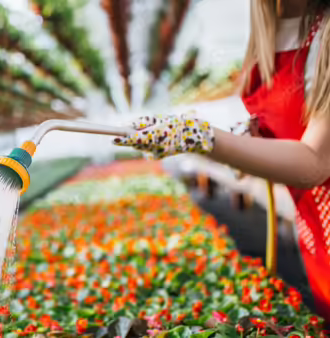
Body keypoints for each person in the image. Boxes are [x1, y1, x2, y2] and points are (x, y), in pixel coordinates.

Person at [113, 0, 330, 323]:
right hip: (313, 230)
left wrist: (204, 137)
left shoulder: (325, 33)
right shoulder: (266, 38)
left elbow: (314, 161)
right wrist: (252, 141)